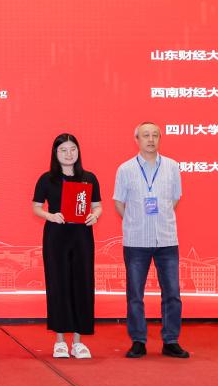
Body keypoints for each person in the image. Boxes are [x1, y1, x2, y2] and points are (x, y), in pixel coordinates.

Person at [113, 122, 189, 359]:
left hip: (166, 239)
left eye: (155, 135)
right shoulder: (125, 169)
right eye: (145, 135)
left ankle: (171, 340)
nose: (151, 139)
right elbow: (119, 202)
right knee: (135, 294)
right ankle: (138, 341)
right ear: (136, 139)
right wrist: (135, 220)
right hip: (136, 241)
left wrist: (159, 217)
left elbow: (175, 199)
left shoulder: (172, 167)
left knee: (172, 293)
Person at [32, 133, 102, 359]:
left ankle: (78, 342)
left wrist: (95, 215)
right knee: (58, 284)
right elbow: (36, 207)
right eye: (63, 150)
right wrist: (50, 216)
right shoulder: (47, 179)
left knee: (82, 284)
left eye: (73, 149)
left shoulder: (89, 178)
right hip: (56, 237)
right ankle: (60, 340)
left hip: (82, 236)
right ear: (55, 153)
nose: (68, 154)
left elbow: (97, 205)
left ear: (78, 152)